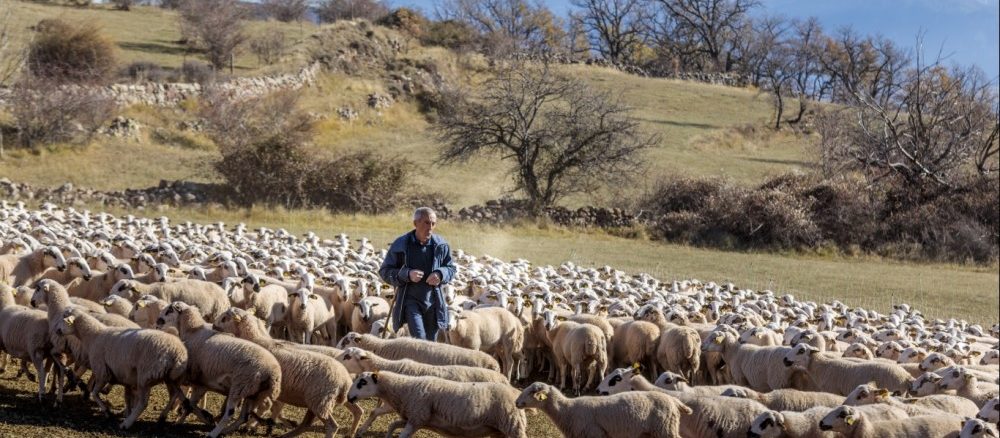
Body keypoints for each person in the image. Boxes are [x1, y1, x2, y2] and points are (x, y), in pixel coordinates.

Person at [379, 207, 456, 341]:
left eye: (433, 223)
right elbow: (385, 271)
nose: (430, 227)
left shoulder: (441, 245)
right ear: (415, 223)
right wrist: (407, 274)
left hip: (434, 302)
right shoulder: (401, 245)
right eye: (426, 223)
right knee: (419, 339)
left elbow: (451, 268)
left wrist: (440, 274)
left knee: (431, 343)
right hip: (410, 301)